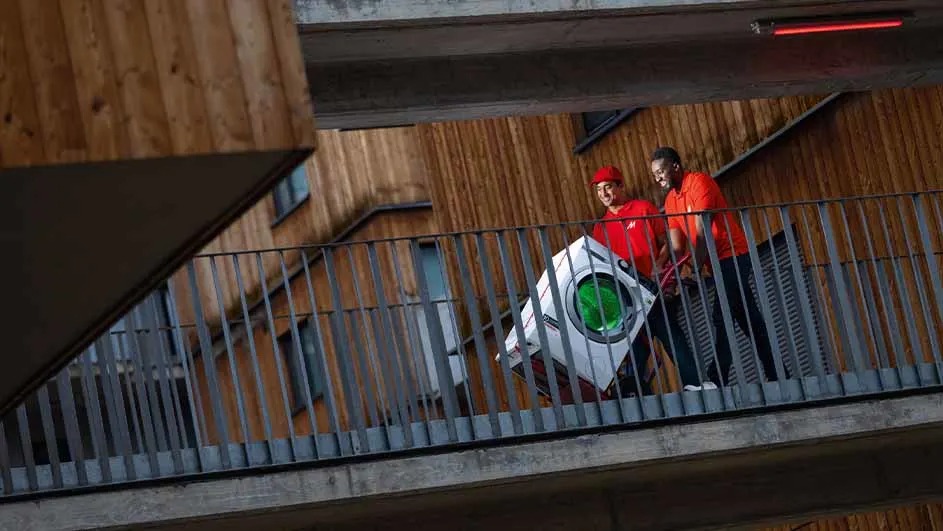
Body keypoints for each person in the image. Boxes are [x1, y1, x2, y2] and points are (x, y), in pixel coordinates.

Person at [650, 147, 785, 386]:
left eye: (661, 171)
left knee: (721, 317)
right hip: (715, 264)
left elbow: (703, 230)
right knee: (749, 320)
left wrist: (695, 267)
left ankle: (716, 380)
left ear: (676, 167)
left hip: (733, 255)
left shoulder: (699, 182)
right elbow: (676, 245)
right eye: (654, 174)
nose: (658, 178)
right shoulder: (671, 200)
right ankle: (780, 375)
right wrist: (663, 269)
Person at [589, 166, 713, 394]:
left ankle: (696, 384)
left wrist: (659, 264)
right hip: (626, 298)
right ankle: (636, 395)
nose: (603, 194)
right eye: (599, 190)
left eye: (607, 187)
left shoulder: (643, 208)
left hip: (653, 289)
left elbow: (667, 242)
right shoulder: (600, 228)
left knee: (670, 336)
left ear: (620, 186)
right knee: (636, 347)